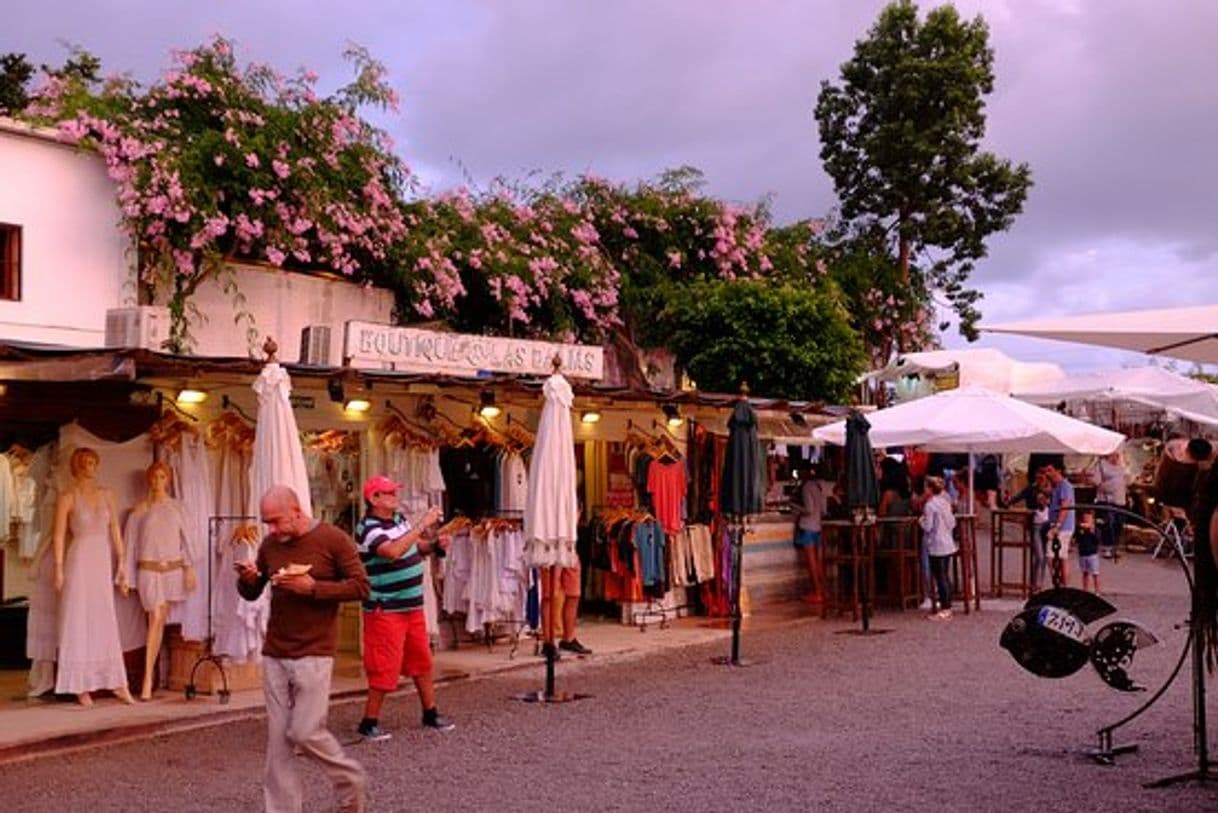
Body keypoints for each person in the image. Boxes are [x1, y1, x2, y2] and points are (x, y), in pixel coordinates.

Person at [235, 485, 369, 813]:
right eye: (267, 522)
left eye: (277, 521)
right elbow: (253, 594)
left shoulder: (333, 539)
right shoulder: (270, 545)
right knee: (278, 742)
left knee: (306, 731)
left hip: (314, 651)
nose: (272, 529)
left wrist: (314, 588)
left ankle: (350, 778)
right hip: (276, 650)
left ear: (297, 511)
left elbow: (361, 586)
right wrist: (249, 578)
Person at [353, 474, 455, 741]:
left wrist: (433, 545)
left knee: (421, 660)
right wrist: (423, 525)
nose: (396, 497)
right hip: (385, 608)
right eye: (389, 493)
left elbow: (412, 548)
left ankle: (430, 712)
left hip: (411, 605)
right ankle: (369, 720)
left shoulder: (398, 520)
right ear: (374, 498)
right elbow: (393, 551)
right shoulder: (367, 528)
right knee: (384, 665)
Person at [52, 446, 136, 706]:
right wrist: (58, 567)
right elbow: (57, 535)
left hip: (101, 559)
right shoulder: (67, 497)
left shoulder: (107, 494)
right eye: (85, 461)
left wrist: (123, 563)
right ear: (77, 466)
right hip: (79, 560)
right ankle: (80, 685)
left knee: (104, 617)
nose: (90, 466)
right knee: (78, 616)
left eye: (93, 461)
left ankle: (117, 682)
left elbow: (114, 530)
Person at [125, 461, 197, 700]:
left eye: (162, 477)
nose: (158, 482)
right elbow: (130, 545)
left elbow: (187, 540)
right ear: (149, 480)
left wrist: (189, 568)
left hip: (172, 570)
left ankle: (156, 675)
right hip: (148, 570)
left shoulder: (178, 508)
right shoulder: (139, 511)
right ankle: (147, 678)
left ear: (168, 480)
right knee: (155, 617)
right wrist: (125, 575)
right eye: (154, 477)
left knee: (160, 618)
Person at [919, 476, 957, 620]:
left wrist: (921, 521)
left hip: (935, 543)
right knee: (945, 575)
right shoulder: (945, 503)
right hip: (947, 542)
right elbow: (952, 523)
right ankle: (948, 605)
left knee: (939, 576)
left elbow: (928, 527)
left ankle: (945, 608)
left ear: (929, 489)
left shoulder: (929, 505)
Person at [790, 465, 828, 605]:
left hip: (807, 527)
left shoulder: (806, 487)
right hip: (817, 527)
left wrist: (795, 507)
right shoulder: (818, 486)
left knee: (811, 563)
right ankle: (823, 591)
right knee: (818, 562)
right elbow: (823, 510)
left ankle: (817, 592)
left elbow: (808, 509)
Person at [1088, 449, 1127, 560]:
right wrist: (1105, 486)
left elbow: (1124, 480)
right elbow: (1095, 481)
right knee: (1108, 523)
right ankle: (1107, 547)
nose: (1116, 458)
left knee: (1118, 524)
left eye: (1118, 455)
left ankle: (1115, 546)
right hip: (1107, 500)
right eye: (1114, 455)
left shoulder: (1120, 467)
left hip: (1120, 500)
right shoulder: (1101, 465)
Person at [1044, 462, 1076, 587]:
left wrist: (1058, 525)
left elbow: (1065, 506)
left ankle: (1063, 585)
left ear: (1058, 471)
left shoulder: (1065, 486)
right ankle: (1059, 583)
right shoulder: (1056, 487)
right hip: (1055, 524)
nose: (1048, 474)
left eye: (1050, 470)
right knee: (1058, 556)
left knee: (1054, 555)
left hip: (1063, 527)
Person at [1074, 510, 1101, 594]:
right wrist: (1080, 531)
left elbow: (1097, 541)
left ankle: (1097, 591)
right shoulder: (1080, 529)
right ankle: (1085, 590)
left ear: (1092, 520)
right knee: (1085, 573)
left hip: (1092, 554)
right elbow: (1077, 539)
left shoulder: (1095, 530)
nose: (1086, 520)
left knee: (1095, 573)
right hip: (1083, 553)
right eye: (1085, 518)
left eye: (1088, 518)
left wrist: (1092, 531)